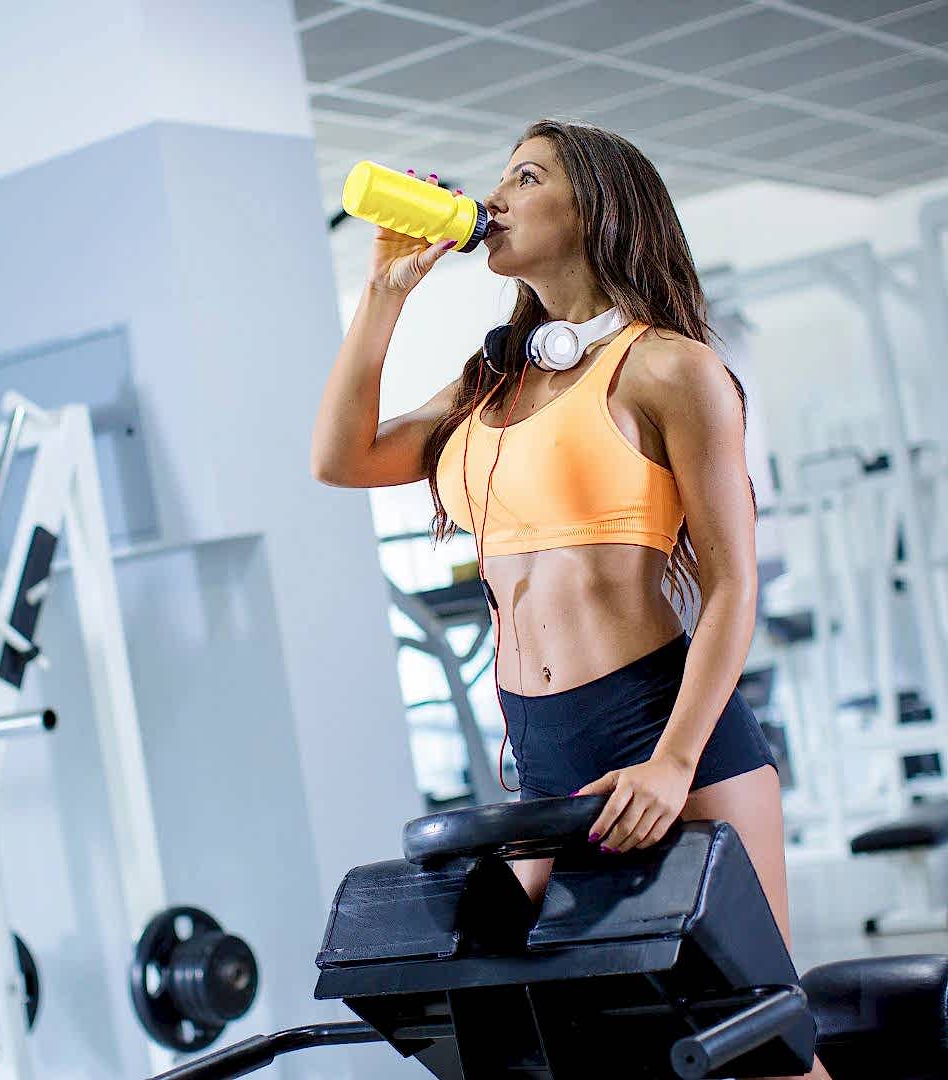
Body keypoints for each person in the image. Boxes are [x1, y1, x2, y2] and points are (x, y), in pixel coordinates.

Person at [311, 119, 832, 1080]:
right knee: (570, 1053)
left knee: (760, 1053)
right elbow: (339, 459)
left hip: (670, 733)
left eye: (527, 176)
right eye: (499, 178)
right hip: (544, 755)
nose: (495, 198)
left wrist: (672, 765)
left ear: (593, 207)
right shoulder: (489, 382)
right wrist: (383, 296)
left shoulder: (672, 367)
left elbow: (731, 586)